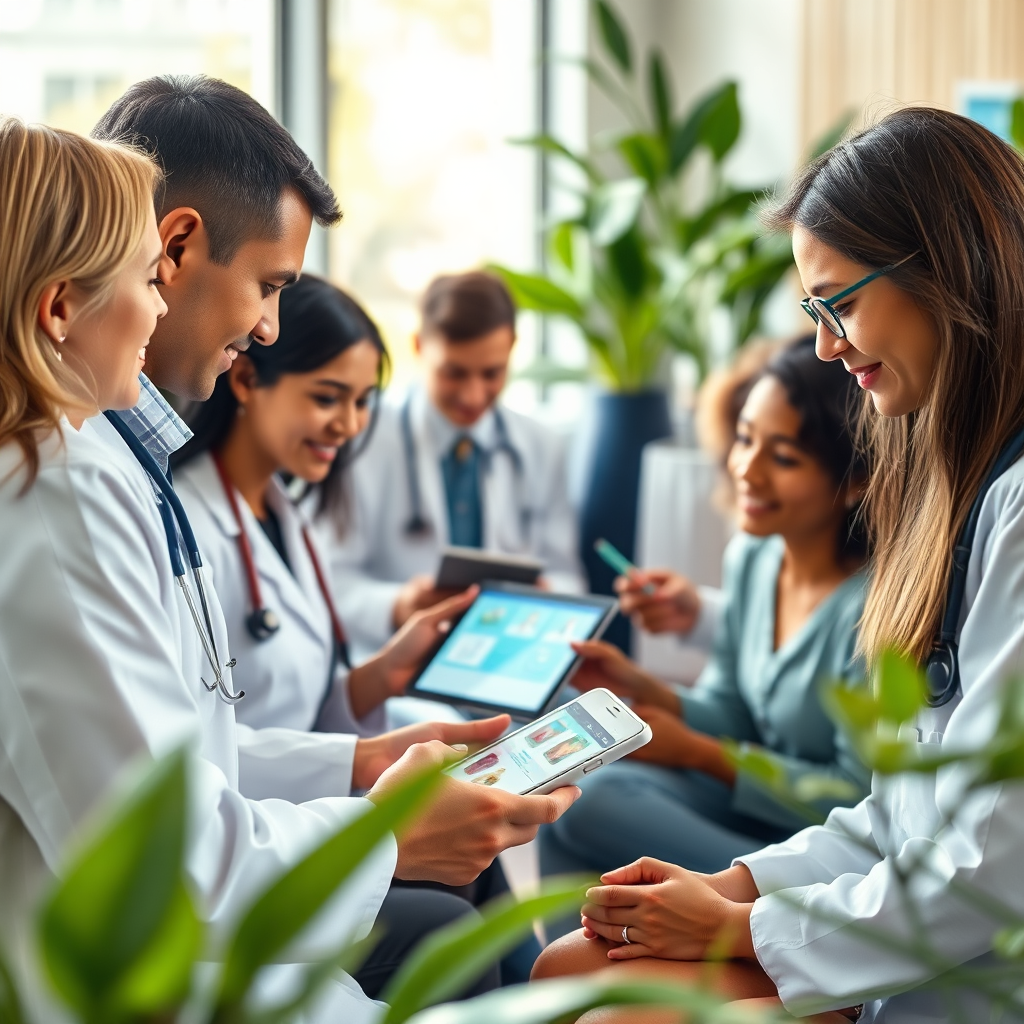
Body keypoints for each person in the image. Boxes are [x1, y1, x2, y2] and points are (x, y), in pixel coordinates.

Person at [0, 82, 575, 1024]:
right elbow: (162, 865)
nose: (265, 328)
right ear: (68, 303)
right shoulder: (59, 484)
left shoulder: (114, 467)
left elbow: (178, 751)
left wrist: (358, 766)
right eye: (146, 278)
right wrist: (385, 832)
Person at [531, 106, 1024, 1024]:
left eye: (840, 304)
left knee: (607, 1006)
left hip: (968, 975)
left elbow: (995, 866)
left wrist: (740, 928)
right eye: (814, 311)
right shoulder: (953, 498)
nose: (828, 345)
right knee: (563, 967)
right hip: (899, 928)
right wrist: (735, 886)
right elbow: (897, 814)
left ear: (945, 270)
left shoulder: (1013, 508)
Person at [172, 273, 541, 982]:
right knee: (454, 905)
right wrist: (365, 758)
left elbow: (297, 701)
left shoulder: (286, 513)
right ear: (246, 380)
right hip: (256, 840)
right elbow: (211, 737)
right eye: (326, 397)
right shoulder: (190, 527)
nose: (348, 425)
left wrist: (382, 674)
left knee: (478, 849)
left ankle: (549, 998)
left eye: (363, 401)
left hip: (306, 800)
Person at [539, 337, 870, 935]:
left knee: (597, 804)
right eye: (745, 439)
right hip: (746, 805)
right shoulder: (754, 558)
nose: (746, 469)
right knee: (573, 791)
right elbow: (733, 711)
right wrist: (649, 690)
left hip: (822, 847)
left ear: (853, 481)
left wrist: (696, 752)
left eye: (784, 457)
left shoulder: (873, 609)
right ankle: (577, 971)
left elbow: (856, 795)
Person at [327, 270, 585, 662]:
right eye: (454, 373)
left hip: (509, 657)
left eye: (492, 373)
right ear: (418, 346)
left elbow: (570, 578)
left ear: (513, 349)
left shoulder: (541, 446)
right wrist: (398, 605)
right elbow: (330, 580)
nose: (473, 395)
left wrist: (546, 597)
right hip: (394, 661)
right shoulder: (360, 436)